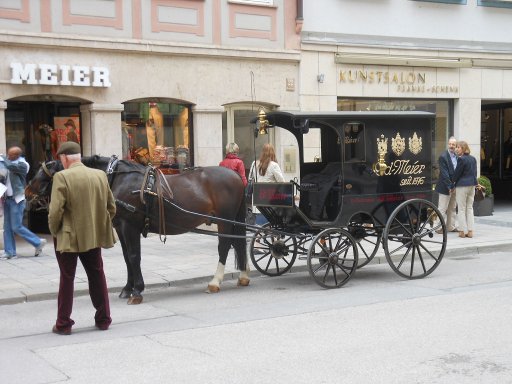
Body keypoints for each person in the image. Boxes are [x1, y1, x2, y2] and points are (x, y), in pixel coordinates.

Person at [48, 142, 116, 335]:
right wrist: (97, 224)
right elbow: (111, 207)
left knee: (67, 279)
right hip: (93, 236)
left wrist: (54, 231)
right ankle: (103, 319)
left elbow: (55, 212)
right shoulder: (99, 175)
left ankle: (64, 324)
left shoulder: (61, 176)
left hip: (68, 237)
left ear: (64, 158)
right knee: (97, 275)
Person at [0, 146, 47, 260]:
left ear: (17, 155)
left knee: (16, 226)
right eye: (8, 154)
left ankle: (37, 242)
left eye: (10, 155)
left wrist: (2, 159)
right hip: (8, 198)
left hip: (17, 199)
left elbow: (11, 166)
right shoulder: (8, 162)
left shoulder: (23, 164)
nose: (8, 156)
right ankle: (10, 252)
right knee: (7, 227)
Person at [453, 140, 478, 239]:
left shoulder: (461, 159)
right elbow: (475, 173)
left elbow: (457, 174)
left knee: (462, 209)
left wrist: (452, 182)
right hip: (472, 185)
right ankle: (470, 231)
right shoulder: (473, 159)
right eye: (457, 147)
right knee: (470, 208)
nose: (456, 149)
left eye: (458, 147)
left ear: (463, 148)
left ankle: (462, 231)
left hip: (462, 186)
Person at [434, 136, 458, 233]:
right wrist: (450, 186)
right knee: (442, 208)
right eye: (450, 144)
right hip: (445, 186)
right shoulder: (443, 156)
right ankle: (438, 228)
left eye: (453, 144)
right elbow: (444, 174)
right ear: (448, 144)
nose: (452, 146)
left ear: (456, 146)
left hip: (455, 186)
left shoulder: (456, 156)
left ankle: (450, 227)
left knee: (452, 207)